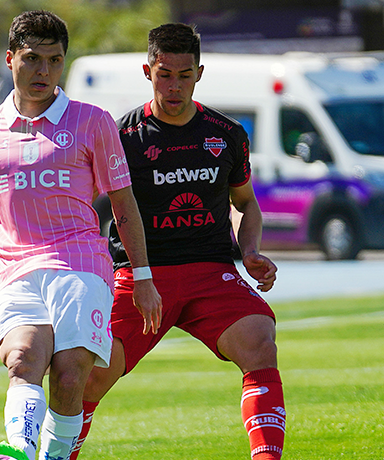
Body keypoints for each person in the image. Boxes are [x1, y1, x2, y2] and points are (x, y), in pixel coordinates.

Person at [0, 10, 161, 460]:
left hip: (82, 266)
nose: (43, 71)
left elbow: (124, 204)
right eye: (32, 59)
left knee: (69, 377)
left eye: (54, 60)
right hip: (18, 272)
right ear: (9, 59)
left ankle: (45, 456)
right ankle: (19, 451)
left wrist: (141, 276)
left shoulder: (92, 122)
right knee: (23, 361)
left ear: (63, 62)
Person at [70, 23, 285, 460]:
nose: (174, 86)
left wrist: (249, 251)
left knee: (260, 341)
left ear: (199, 73)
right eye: (164, 74)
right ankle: (57, 454)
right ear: (147, 71)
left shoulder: (226, 134)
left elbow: (245, 203)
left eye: (183, 75)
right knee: (89, 375)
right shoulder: (121, 136)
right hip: (139, 275)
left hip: (211, 271)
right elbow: (86, 206)